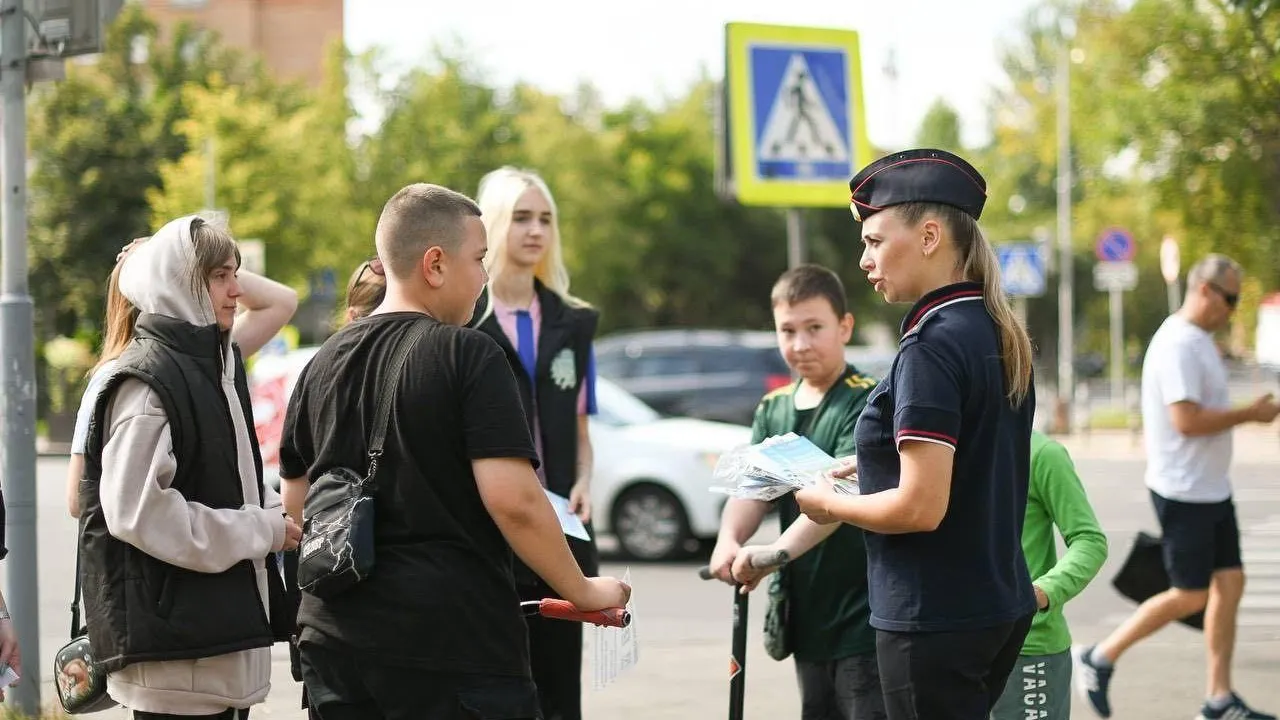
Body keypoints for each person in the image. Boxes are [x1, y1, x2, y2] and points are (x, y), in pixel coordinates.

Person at [278, 183, 630, 720]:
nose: (483, 277)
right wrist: (581, 589)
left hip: (333, 646)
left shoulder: (321, 363)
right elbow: (514, 500)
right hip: (450, 648)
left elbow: (298, 505)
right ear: (435, 264)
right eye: (479, 259)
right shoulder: (467, 353)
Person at [735, 148, 1037, 720]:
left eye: (875, 241)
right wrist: (868, 469)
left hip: (934, 614)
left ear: (928, 237)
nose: (865, 259)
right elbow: (970, 465)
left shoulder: (931, 346)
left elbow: (921, 508)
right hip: (993, 601)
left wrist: (828, 504)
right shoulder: (990, 328)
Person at [78, 214, 304, 719]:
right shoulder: (148, 378)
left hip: (204, 647)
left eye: (235, 273)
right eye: (219, 276)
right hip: (178, 655)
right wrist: (260, 528)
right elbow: (139, 513)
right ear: (180, 283)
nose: (235, 290)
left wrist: (267, 516)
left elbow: (224, 477)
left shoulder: (211, 363)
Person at [1074, 254, 1279, 720]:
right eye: (1230, 298)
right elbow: (1185, 420)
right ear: (1205, 290)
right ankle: (1098, 656)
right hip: (1184, 490)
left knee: (1231, 582)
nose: (1234, 306)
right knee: (1191, 594)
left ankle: (1218, 698)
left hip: (1210, 487)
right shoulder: (1178, 345)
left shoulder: (1200, 340)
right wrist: (1251, 415)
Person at [708, 264, 885, 720]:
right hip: (806, 616)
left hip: (864, 614)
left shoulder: (865, 400)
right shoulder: (773, 408)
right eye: (788, 330)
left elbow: (841, 498)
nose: (800, 344)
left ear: (845, 327)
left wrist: (775, 554)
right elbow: (752, 491)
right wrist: (729, 541)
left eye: (814, 328)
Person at [469, 166, 600, 720]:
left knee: (559, 690)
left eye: (545, 219)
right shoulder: (466, 320)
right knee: (500, 689)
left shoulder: (573, 321)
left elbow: (579, 428)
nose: (535, 230)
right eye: (521, 217)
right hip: (491, 534)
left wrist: (585, 483)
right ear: (494, 224)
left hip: (562, 534)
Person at [65, 234, 298, 518]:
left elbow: (282, 302)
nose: (234, 290)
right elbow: (80, 499)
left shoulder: (207, 355)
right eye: (218, 277)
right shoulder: (119, 377)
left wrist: (190, 255)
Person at [989, 430, 1108, 720]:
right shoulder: (940, 451)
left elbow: (1090, 541)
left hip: (1027, 649)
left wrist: (1041, 592)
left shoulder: (1041, 453)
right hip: (953, 648)